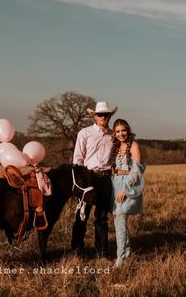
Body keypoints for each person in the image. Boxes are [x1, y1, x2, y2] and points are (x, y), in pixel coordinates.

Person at [71, 101, 117, 258]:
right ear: (95, 116)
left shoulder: (113, 135)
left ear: (109, 116)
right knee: (82, 215)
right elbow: (77, 159)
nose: (103, 117)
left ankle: (102, 252)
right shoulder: (85, 133)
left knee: (102, 218)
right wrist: (80, 181)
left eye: (106, 115)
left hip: (105, 178)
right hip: (88, 178)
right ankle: (77, 251)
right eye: (100, 114)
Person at [109, 118, 145, 268]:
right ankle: (126, 254)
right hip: (115, 184)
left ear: (128, 130)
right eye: (117, 131)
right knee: (118, 222)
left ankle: (120, 259)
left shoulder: (134, 146)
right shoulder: (116, 147)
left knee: (121, 219)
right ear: (114, 133)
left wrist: (125, 189)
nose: (121, 134)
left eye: (123, 130)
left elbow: (137, 171)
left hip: (127, 186)